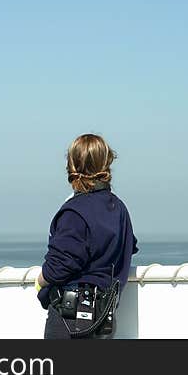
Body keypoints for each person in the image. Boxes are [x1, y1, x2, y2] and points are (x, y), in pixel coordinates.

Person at [35, 133, 138, 339]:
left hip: (70, 317)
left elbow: (60, 265)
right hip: (104, 317)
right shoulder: (118, 209)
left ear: (72, 165)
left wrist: (40, 280)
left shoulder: (75, 212)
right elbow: (128, 247)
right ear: (107, 163)